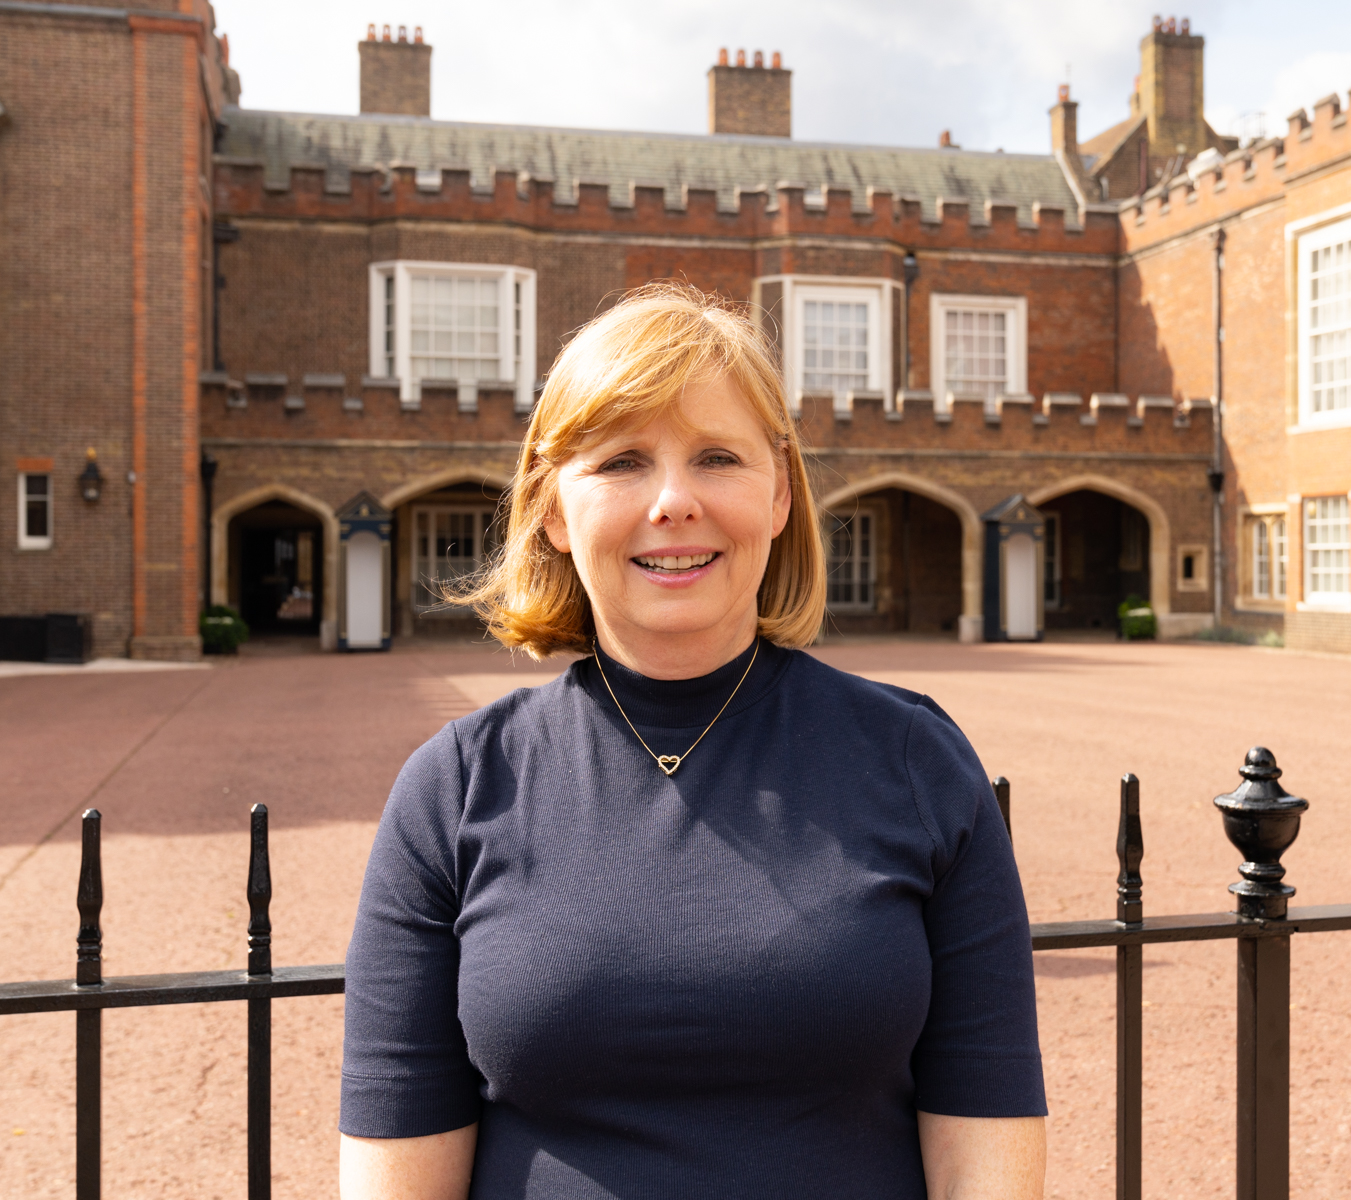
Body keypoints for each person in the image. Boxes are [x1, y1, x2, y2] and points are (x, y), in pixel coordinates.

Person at [338, 284, 1047, 1199]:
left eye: (717, 457)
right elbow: (397, 1164)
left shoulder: (915, 762)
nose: (673, 501)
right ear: (553, 509)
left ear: (779, 492)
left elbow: (987, 1137)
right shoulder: (457, 788)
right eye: (622, 462)